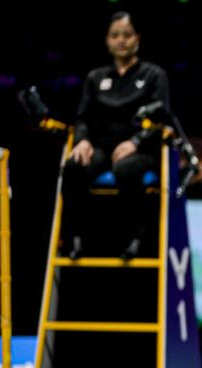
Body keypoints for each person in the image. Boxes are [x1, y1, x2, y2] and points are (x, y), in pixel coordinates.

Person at [61, 11, 170, 260]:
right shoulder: (95, 78)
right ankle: (75, 239)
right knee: (74, 166)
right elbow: (83, 117)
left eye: (127, 35)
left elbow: (161, 118)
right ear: (107, 40)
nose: (121, 40)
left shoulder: (154, 75)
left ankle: (135, 239)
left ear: (137, 38)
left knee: (125, 169)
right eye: (115, 35)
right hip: (102, 148)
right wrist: (83, 141)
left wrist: (135, 142)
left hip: (142, 151)